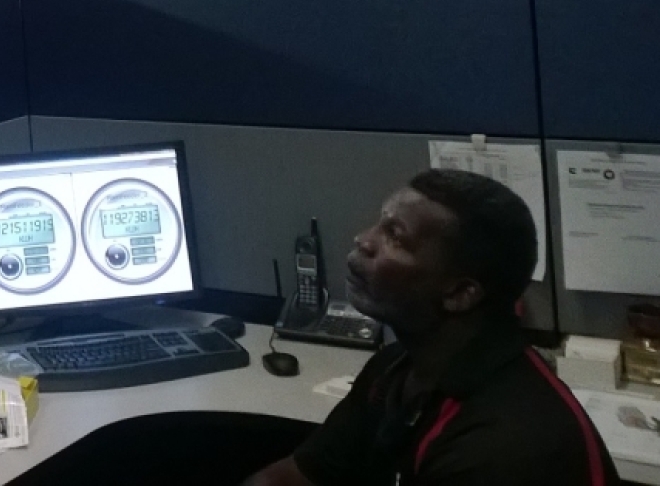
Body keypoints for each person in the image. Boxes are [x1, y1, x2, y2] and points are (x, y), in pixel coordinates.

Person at [243, 169, 617, 486]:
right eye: (379, 223)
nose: (364, 240)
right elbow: (298, 475)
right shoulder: (397, 369)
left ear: (459, 293)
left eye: (395, 236)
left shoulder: (504, 446)